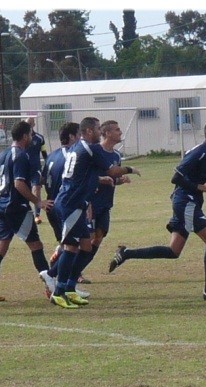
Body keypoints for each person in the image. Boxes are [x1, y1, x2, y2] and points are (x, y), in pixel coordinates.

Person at [108, 119, 206, 301]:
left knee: (173, 251)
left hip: (189, 203)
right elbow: (176, 177)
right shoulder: (200, 152)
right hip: (185, 202)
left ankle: (126, 253)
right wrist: (201, 188)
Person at [49, 117, 139, 309]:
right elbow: (112, 170)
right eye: (98, 128)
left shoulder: (78, 147)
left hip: (77, 202)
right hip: (70, 203)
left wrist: (98, 181)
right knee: (70, 247)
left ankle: (70, 289)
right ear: (89, 131)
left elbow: (85, 173)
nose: (100, 131)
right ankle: (57, 291)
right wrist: (130, 169)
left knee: (85, 246)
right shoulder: (91, 149)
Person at [0, 120, 54, 302]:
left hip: (2, 206)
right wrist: (38, 202)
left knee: (0, 248)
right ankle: (52, 288)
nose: (32, 138)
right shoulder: (20, 155)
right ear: (24, 136)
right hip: (16, 208)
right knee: (36, 246)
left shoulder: (2, 154)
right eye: (30, 134)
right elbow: (19, 184)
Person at [37, 122, 89, 301]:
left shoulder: (51, 156)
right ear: (72, 137)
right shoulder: (72, 156)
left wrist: (41, 202)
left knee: (72, 244)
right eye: (79, 135)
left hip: (53, 206)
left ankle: (66, 285)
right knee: (72, 246)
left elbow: (40, 181)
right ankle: (55, 279)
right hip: (65, 207)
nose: (81, 138)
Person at [82, 120, 132, 273]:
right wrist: (100, 179)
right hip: (91, 202)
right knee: (87, 238)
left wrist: (120, 180)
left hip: (105, 203)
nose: (120, 132)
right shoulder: (95, 151)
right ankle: (65, 263)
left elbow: (113, 178)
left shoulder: (116, 155)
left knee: (98, 237)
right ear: (108, 133)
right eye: (117, 130)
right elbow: (85, 175)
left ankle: (78, 270)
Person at [25, 117, 47, 225]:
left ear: (33, 125)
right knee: (24, 191)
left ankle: (37, 215)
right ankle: (25, 214)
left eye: (30, 124)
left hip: (36, 170)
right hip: (24, 169)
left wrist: (46, 169)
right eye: (27, 124)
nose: (28, 126)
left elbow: (45, 154)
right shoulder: (22, 138)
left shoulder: (40, 138)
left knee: (36, 190)